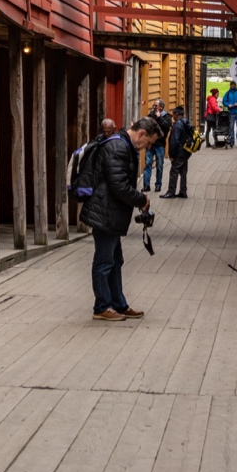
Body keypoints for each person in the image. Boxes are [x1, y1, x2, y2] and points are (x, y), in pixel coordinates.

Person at [81, 117, 161, 321]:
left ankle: (118, 304)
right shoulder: (119, 147)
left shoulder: (123, 144)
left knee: (115, 260)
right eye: (149, 142)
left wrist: (138, 198)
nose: (148, 147)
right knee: (104, 261)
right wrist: (140, 199)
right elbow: (119, 186)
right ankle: (101, 307)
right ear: (141, 134)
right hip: (105, 212)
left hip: (111, 213)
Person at [163, 106, 194, 199]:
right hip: (186, 151)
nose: (172, 116)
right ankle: (183, 191)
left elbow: (174, 141)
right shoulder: (186, 122)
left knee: (174, 171)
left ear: (177, 114)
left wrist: (171, 155)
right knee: (183, 172)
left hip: (179, 152)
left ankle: (171, 192)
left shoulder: (177, 125)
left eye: (173, 114)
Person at [141, 100, 169, 192]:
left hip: (160, 145)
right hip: (150, 144)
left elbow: (166, 128)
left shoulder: (167, 117)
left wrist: (159, 118)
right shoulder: (150, 116)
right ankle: (146, 185)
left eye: (156, 106)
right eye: (153, 105)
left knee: (159, 165)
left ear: (161, 107)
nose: (154, 107)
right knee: (148, 164)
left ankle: (158, 185)